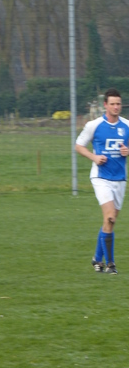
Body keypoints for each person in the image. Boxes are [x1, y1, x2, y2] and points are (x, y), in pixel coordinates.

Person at [75, 88, 129, 274]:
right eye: (112, 104)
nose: (116, 107)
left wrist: (127, 151)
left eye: (118, 104)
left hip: (120, 179)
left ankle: (97, 259)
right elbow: (79, 146)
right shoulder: (94, 125)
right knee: (109, 217)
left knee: (110, 223)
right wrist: (94, 157)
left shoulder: (127, 125)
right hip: (101, 177)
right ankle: (110, 265)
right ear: (105, 105)